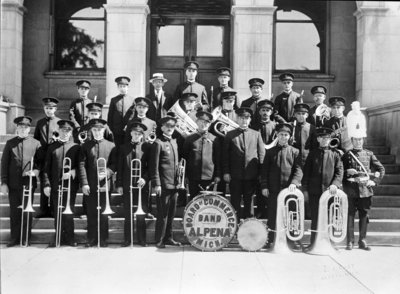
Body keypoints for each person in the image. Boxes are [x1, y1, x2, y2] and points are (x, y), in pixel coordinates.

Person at [1, 116, 41, 247]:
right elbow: (4, 164)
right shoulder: (10, 143)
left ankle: (25, 238)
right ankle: (14, 238)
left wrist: (35, 172)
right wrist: (4, 183)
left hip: (28, 183)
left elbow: (40, 163)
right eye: (21, 127)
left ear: (29, 129)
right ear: (17, 128)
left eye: (26, 127)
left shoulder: (36, 143)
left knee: (27, 212)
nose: (23, 129)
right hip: (13, 184)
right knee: (14, 212)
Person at [260, 123, 303, 246]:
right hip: (273, 189)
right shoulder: (270, 152)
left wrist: (294, 183)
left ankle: (291, 238)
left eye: (286, 135)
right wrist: (264, 186)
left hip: (289, 189)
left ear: (289, 136)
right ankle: (271, 238)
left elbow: (298, 169)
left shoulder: (295, 151)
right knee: (272, 214)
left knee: (291, 214)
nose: (283, 137)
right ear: (277, 135)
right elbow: (264, 171)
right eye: (281, 135)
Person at [342, 132, 385, 251]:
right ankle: (350, 241)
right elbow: (339, 171)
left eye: (360, 139)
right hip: (350, 189)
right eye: (355, 139)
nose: (358, 142)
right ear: (352, 140)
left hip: (365, 189)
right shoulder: (346, 155)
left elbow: (381, 169)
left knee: (364, 216)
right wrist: (346, 172)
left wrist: (375, 181)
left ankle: (362, 240)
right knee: (350, 215)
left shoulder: (369, 154)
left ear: (363, 140)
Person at [302, 127, 344, 247]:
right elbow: (307, 173)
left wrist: (335, 184)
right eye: (322, 138)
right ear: (318, 139)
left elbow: (339, 171)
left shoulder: (335, 154)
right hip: (314, 192)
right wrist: (305, 190)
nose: (325, 140)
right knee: (315, 218)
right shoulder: (312, 154)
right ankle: (313, 243)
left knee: (330, 217)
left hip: (330, 192)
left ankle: (330, 243)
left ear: (330, 139)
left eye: (327, 138)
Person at [79, 119, 117, 247]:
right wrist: (84, 183)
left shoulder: (111, 146)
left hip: (105, 185)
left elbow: (114, 164)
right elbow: (81, 165)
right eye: (94, 130)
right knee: (91, 212)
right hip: (90, 184)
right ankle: (91, 238)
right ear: (91, 131)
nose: (97, 132)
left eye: (99, 130)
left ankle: (103, 238)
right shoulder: (85, 146)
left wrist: (107, 172)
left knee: (104, 214)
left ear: (104, 130)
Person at [43, 120, 80, 247]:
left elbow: (80, 166)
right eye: (63, 131)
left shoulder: (76, 147)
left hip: (70, 186)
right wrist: (47, 184)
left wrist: (72, 172)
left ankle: (70, 238)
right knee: (57, 212)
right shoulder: (52, 147)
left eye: (68, 131)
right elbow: (46, 168)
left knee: (69, 213)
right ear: (59, 131)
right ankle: (58, 237)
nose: (65, 133)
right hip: (55, 185)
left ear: (71, 133)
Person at [223, 107, 265, 219]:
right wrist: (226, 172)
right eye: (241, 118)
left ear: (250, 120)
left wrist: (261, 173)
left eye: (246, 118)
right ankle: (234, 226)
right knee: (235, 202)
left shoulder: (256, 134)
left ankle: (248, 226)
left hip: (251, 175)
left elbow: (261, 155)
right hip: (235, 175)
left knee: (249, 202)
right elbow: (225, 156)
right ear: (237, 119)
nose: (244, 121)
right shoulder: (230, 135)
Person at [116, 121, 152, 247]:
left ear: (142, 135)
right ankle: (128, 239)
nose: (137, 135)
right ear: (130, 133)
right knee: (128, 213)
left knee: (141, 214)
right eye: (135, 133)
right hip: (127, 185)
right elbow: (119, 168)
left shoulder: (147, 147)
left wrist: (145, 178)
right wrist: (119, 184)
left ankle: (142, 239)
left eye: (139, 134)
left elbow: (150, 167)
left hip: (141, 185)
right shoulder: (123, 148)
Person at [150, 115, 182, 248]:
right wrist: (157, 184)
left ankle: (168, 238)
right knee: (162, 214)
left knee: (171, 214)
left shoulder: (174, 142)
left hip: (174, 184)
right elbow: (154, 165)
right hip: (163, 185)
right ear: (162, 127)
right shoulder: (158, 143)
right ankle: (159, 239)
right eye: (167, 126)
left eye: (172, 127)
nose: (170, 129)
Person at [183, 111, 221, 200]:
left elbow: (218, 158)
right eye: (201, 121)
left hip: (209, 177)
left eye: (206, 122)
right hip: (193, 176)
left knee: (208, 202)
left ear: (209, 124)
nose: (204, 124)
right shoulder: (189, 139)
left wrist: (218, 175)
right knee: (193, 200)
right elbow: (184, 158)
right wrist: (185, 176)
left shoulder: (214, 139)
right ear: (197, 122)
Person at [251, 100, 279, 219]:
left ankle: (270, 212)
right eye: (263, 110)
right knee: (258, 187)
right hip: (257, 160)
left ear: (271, 112)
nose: (265, 113)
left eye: (268, 111)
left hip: (271, 161)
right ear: (259, 111)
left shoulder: (275, 126)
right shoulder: (253, 125)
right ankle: (260, 210)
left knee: (270, 186)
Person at [34, 97, 61, 218]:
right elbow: (35, 140)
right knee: (44, 182)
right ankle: (43, 209)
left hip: (55, 156)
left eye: (51, 108)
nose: (49, 111)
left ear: (55, 109)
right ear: (44, 108)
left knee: (54, 182)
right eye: (47, 108)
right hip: (43, 156)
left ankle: (54, 209)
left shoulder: (59, 122)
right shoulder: (40, 123)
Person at [107, 76, 135, 147]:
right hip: (116, 131)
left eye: (124, 86)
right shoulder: (114, 100)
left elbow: (133, 115)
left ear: (127, 87)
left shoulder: (132, 100)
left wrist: (129, 126)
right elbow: (110, 116)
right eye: (120, 86)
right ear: (118, 87)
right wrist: (111, 130)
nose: (122, 88)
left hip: (128, 131)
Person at [291, 103, 318, 167]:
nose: (301, 116)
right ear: (295, 115)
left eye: (303, 114)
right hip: (293, 158)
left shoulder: (312, 128)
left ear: (307, 115)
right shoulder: (291, 127)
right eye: (298, 114)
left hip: (307, 159)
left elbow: (314, 145)